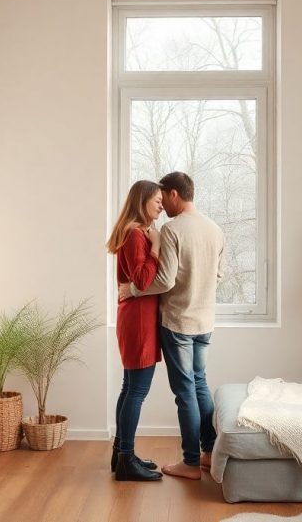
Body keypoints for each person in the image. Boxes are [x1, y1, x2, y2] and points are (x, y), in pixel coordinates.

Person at [119, 171, 224, 480]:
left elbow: (164, 281)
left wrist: (133, 290)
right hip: (205, 321)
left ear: (174, 194)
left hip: (178, 321)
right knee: (200, 383)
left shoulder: (172, 229)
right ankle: (209, 453)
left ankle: (190, 462)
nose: (162, 205)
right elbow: (218, 276)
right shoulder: (215, 229)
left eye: (163, 197)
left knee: (185, 391)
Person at [106, 180, 165, 482]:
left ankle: (121, 453)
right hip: (139, 321)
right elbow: (142, 280)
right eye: (157, 200)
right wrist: (156, 247)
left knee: (129, 388)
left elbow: (137, 281)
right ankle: (126, 460)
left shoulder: (135, 233)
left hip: (135, 318)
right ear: (142, 201)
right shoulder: (135, 235)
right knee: (137, 390)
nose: (161, 206)